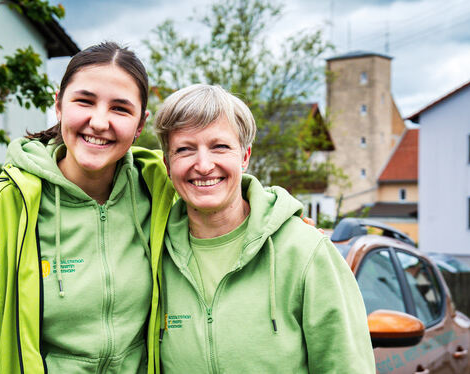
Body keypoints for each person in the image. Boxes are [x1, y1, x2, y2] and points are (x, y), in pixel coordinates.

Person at [0, 42, 176, 373]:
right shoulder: (2, 209)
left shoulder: (161, 194)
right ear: (59, 106)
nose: (99, 121)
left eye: (120, 109)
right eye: (85, 101)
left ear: (139, 125)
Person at [152, 84, 375, 373]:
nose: (204, 165)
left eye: (220, 146)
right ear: (167, 164)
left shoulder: (306, 252)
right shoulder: (155, 252)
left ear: (245, 156)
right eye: (185, 149)